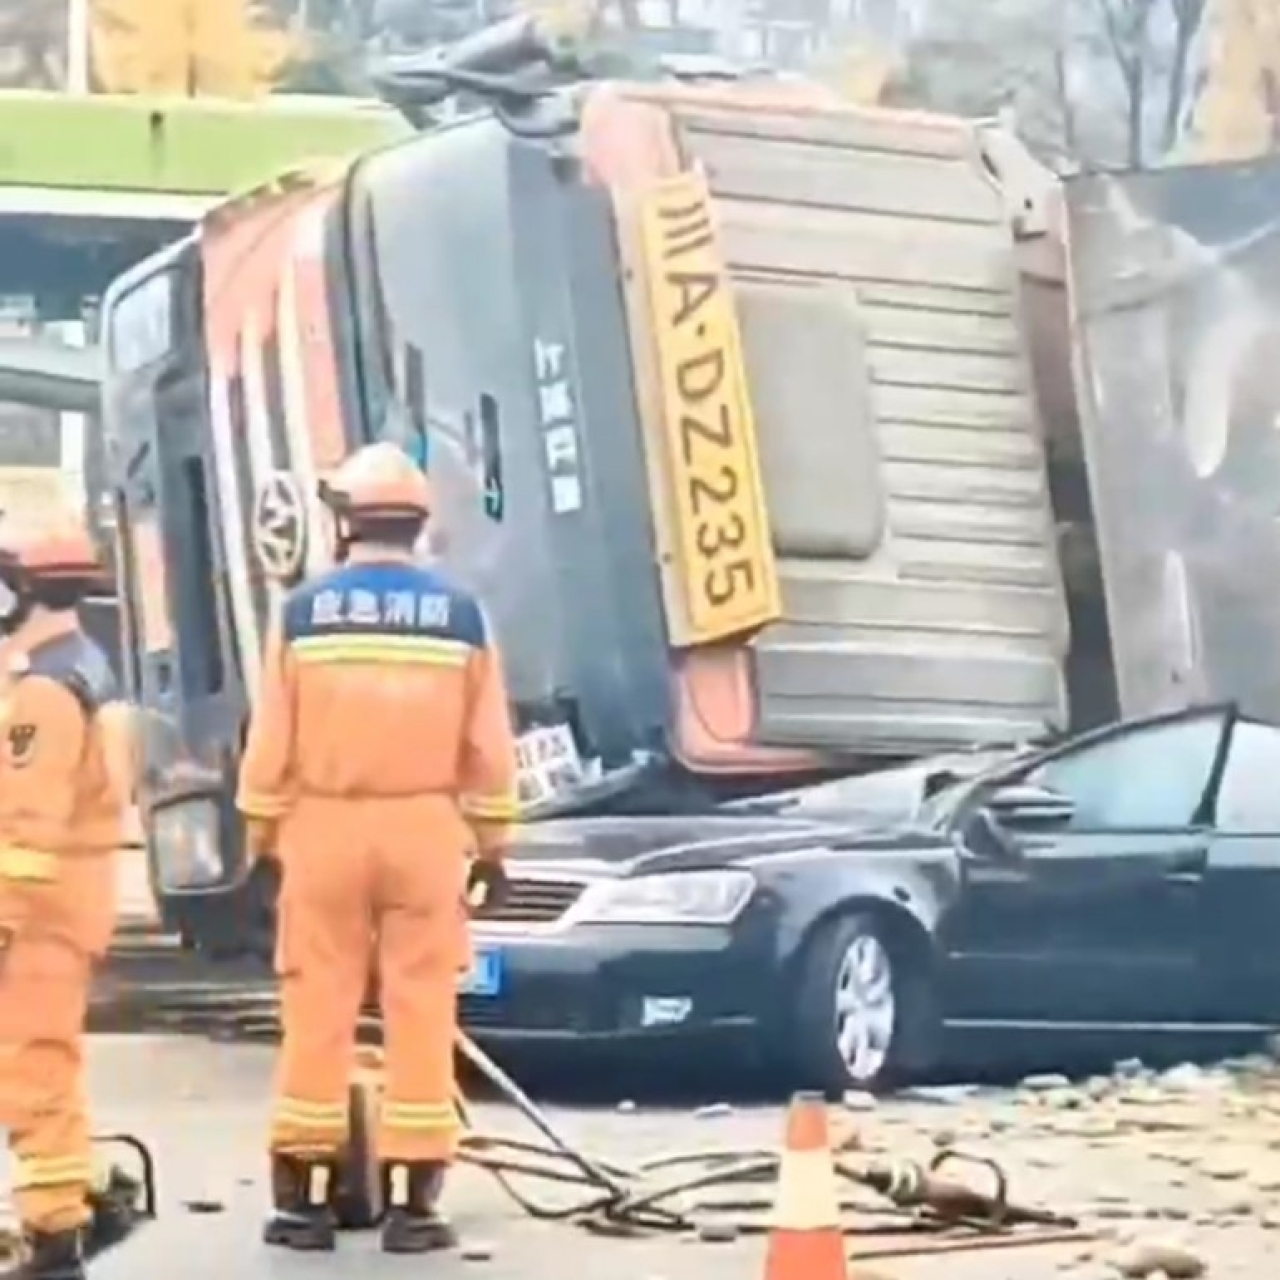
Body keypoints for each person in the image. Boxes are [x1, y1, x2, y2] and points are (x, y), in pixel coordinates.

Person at [236, 441, 519, 1255]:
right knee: (421, 1008)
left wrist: (261, 840)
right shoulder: (461, 617)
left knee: (317, 1008)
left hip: (324, 829)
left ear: (346, 524)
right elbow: (488, 748)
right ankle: (413, 1204)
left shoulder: (303, 614)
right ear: (417, 524)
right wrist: (492, 846)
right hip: (424, 832)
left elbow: (271, 742)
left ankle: (305, 1201)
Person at [0, 513, 136, 1280]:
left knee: (31, 1064)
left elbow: (27, 822)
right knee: (46, 1057)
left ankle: (56, 1234)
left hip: (41, 910)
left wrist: (3, 916)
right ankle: (80, 1194)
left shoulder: (44, 691)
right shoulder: (80, 666)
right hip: (69, 896)